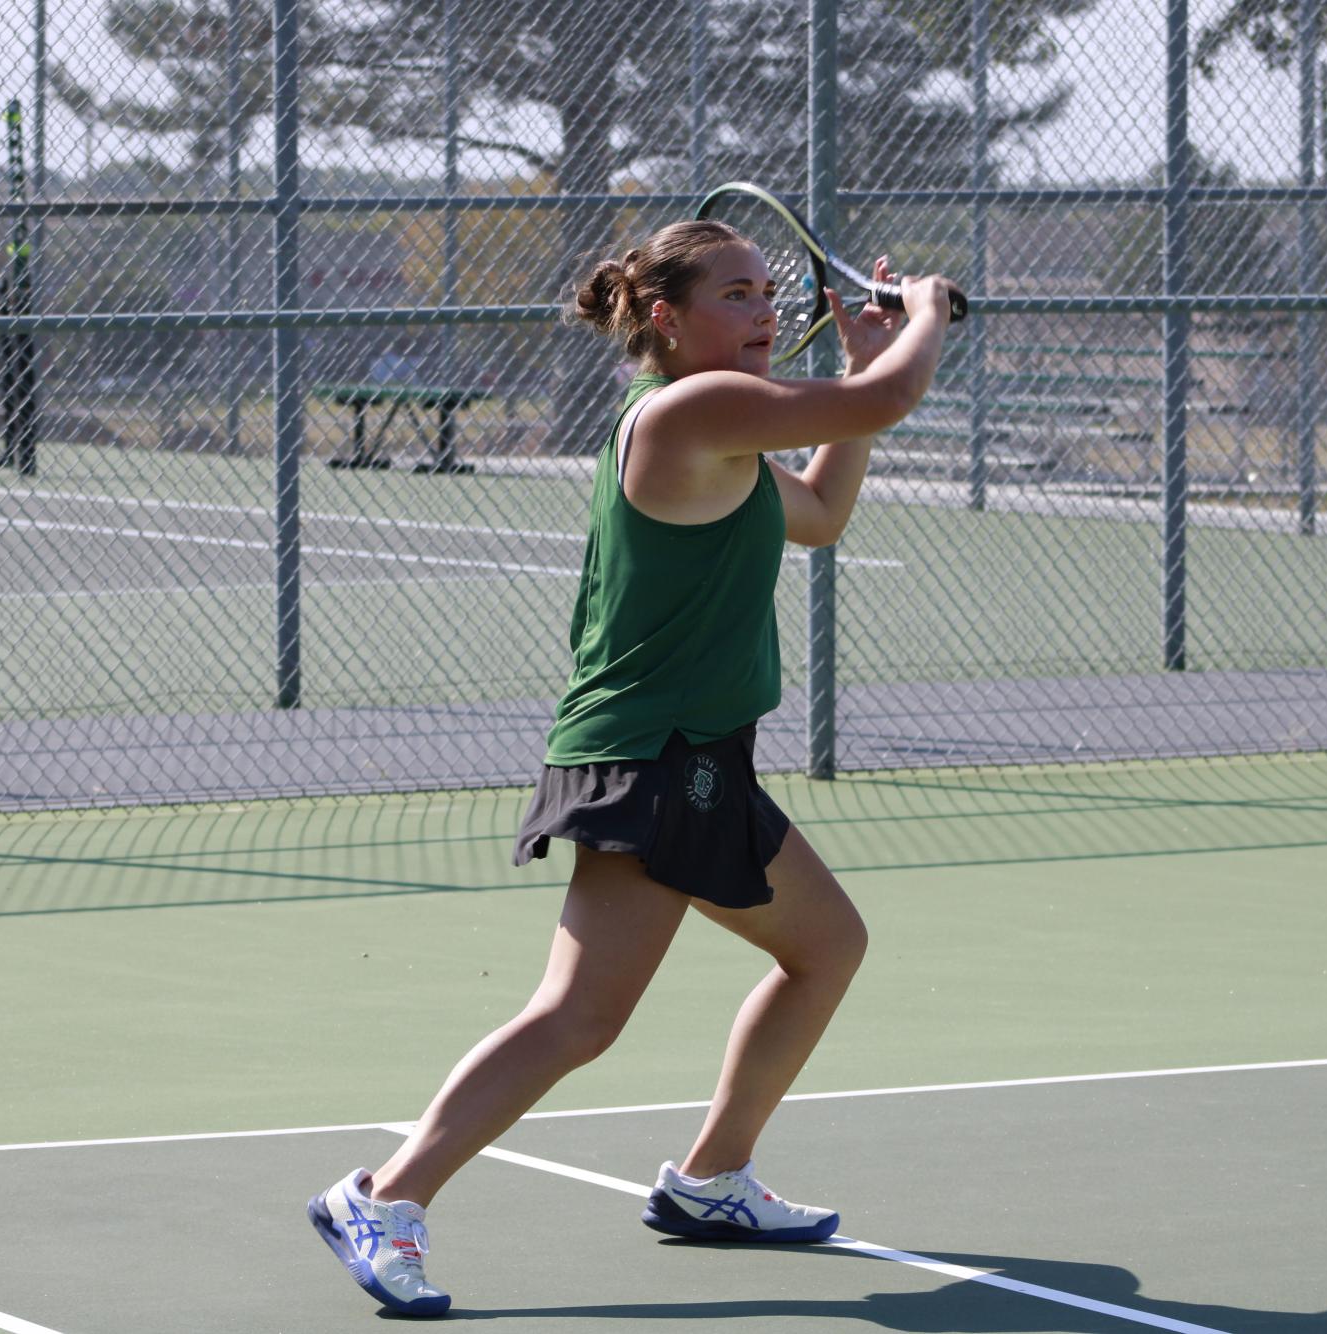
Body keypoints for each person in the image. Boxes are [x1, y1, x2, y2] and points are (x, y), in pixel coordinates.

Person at [308, 218, 954, 1317]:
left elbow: (826, 513)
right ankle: (385, 1193)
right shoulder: (693, 410)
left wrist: (858, 366)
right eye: (737, 295)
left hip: (698, 753)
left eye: (767, 293)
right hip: (646, 756)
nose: (762, 312)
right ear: (667, 316)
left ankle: (711, 1179)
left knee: (827, 944)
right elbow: (891, 400)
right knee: (579, 1015)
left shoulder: (731, 443)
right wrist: (927, 317)